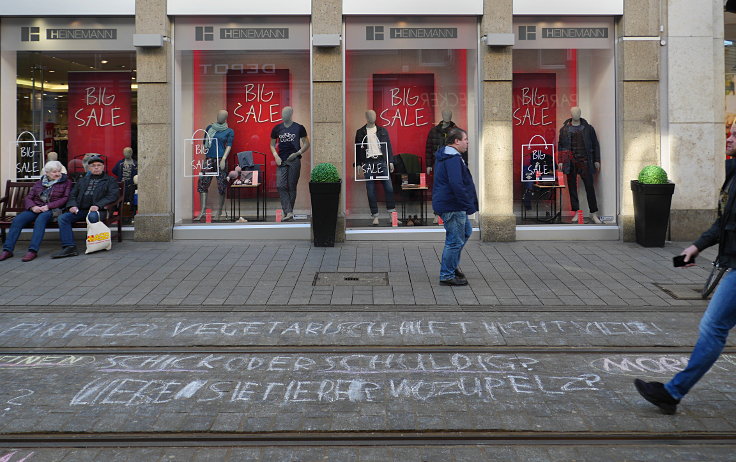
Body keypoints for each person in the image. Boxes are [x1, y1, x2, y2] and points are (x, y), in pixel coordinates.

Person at [634, 158, 736, 414]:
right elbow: (724, 223)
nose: (731, 136)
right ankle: (672, 392)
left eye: (735, 132)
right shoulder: (733, 173)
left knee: (714, 327)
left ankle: (672, 392)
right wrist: (696, 247)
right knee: (714, 326)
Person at [431, 128, 478, 286]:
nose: (467, 142)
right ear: (456, 141)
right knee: (454, 241)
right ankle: (447, 274)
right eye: (465, 139)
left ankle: (450, 265)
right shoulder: (452, 159)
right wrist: (467, 204)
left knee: (466, 232)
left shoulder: (449, 155)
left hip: (452, 203)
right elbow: (456, 184)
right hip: (452, 204)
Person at [0, 161, 71, 262]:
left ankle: (32, 251)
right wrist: (33, 207)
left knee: (40, 220)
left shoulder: (66, 182)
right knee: (18, 219)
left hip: (53, 210)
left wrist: (48, 206)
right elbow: (28, 198)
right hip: (36, 208)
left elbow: (65, 198)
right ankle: (7, 250)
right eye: (54, 172)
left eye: (59, 171)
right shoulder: (39, 183)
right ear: (47, 173)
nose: (57, 174)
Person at [51, 155, 119, 258]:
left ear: (103, 167)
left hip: (99, 210)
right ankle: (69, 247)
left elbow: (112, 195)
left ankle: (95, 245)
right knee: (63, 218)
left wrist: (98, 205)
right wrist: (72, 205)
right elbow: (73, 194)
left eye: (99, 165)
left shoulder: (110, 180)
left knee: (92, 217)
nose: (96, 167)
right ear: (89, 168)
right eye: (93, 166)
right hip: (81, 210)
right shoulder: (82, 180)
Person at [271, 106, 310, 222]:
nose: (284, 115)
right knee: (280, 185)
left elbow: (306, 144)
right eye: (282, 113)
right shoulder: (277, 128)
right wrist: (275, 156)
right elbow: (272, 144)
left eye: (286, 113)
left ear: (291, 114)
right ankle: (289, 212)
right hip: (281, 160)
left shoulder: (299, 128)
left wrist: (297, 153)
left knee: (292, 186)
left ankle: (288, 213)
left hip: (294, 160)